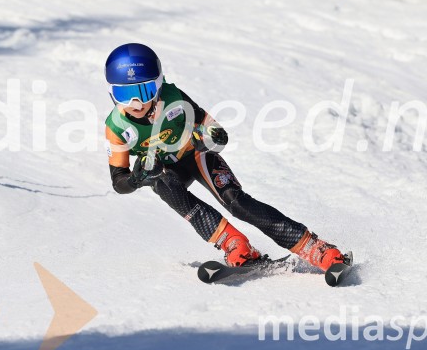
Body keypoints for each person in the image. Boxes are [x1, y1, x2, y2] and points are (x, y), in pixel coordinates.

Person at [104, 43, 348, 270]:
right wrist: (136, 179)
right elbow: (119, 182)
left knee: (236, 201)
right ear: (112, 94)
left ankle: (314, 247)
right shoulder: (116, 128)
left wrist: (213, 136)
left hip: (195, 156)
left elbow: (209, 125)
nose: (136, 103)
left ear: (158, 85)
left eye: (144, 91)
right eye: (125, 95)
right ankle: (233, 243)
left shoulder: (172, 96)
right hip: (167, 171)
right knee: (165, 186)